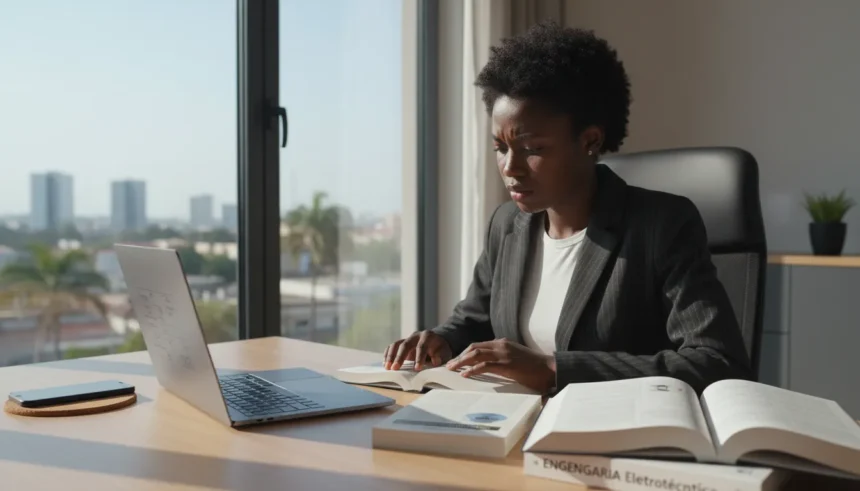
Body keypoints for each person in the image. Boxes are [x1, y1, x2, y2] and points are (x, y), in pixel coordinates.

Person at [382, 22, 751, 395]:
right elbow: (474, 322)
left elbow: (716, 362)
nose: (510, 167)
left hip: (611, 436)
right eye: (501, 148)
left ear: (590, 140)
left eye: (533, 148)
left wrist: (553, 369)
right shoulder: (507, 224)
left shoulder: (661, 226)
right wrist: (441, 341)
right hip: (510, 425)